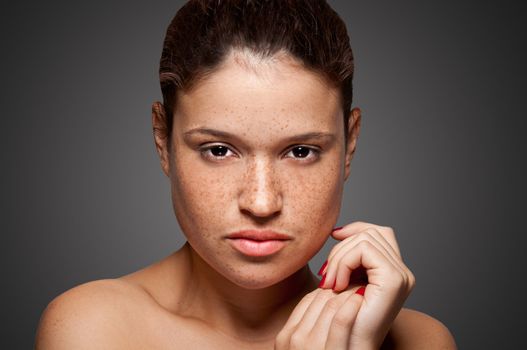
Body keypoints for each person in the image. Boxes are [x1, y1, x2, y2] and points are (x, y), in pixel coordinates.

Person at [35, 1, 456, 348]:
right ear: (162, 139)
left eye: (300, 151)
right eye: (218, 150)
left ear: (349, 145)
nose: (260, 202)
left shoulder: (421, 341)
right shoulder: (95, 329)